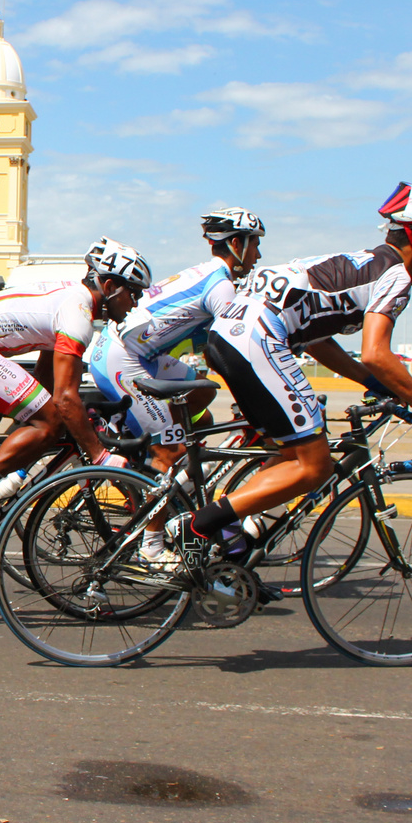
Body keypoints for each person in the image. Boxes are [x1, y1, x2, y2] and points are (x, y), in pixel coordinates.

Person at [185, 182, 412, 573]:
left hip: (229, 338)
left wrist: (372, 383)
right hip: (257, 339)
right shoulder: (396, 276)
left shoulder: (357, 261)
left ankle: (229, 544)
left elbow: (319, 342)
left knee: (288, 453)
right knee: (315, 466)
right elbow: (377, 352)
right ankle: (196, 528)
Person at [0, 237, 150, 536]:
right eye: (134, 293)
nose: (136, 303)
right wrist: (100, 455)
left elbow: (45, 378)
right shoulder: (78, 311)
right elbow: (64, 398)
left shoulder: (68, 300)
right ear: (111, 287)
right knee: (50, 423)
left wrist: (53, 419)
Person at [86, 207, 263, 565]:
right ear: (237, 244)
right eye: (255, 245)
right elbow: (228, 352)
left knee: (203, 397)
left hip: (139, 353)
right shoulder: (222, 286)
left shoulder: (212, 274)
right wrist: (255, 399)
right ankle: (151, 545)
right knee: (169, 451)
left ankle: (157, 464)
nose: (258, 255)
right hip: (124, 358)